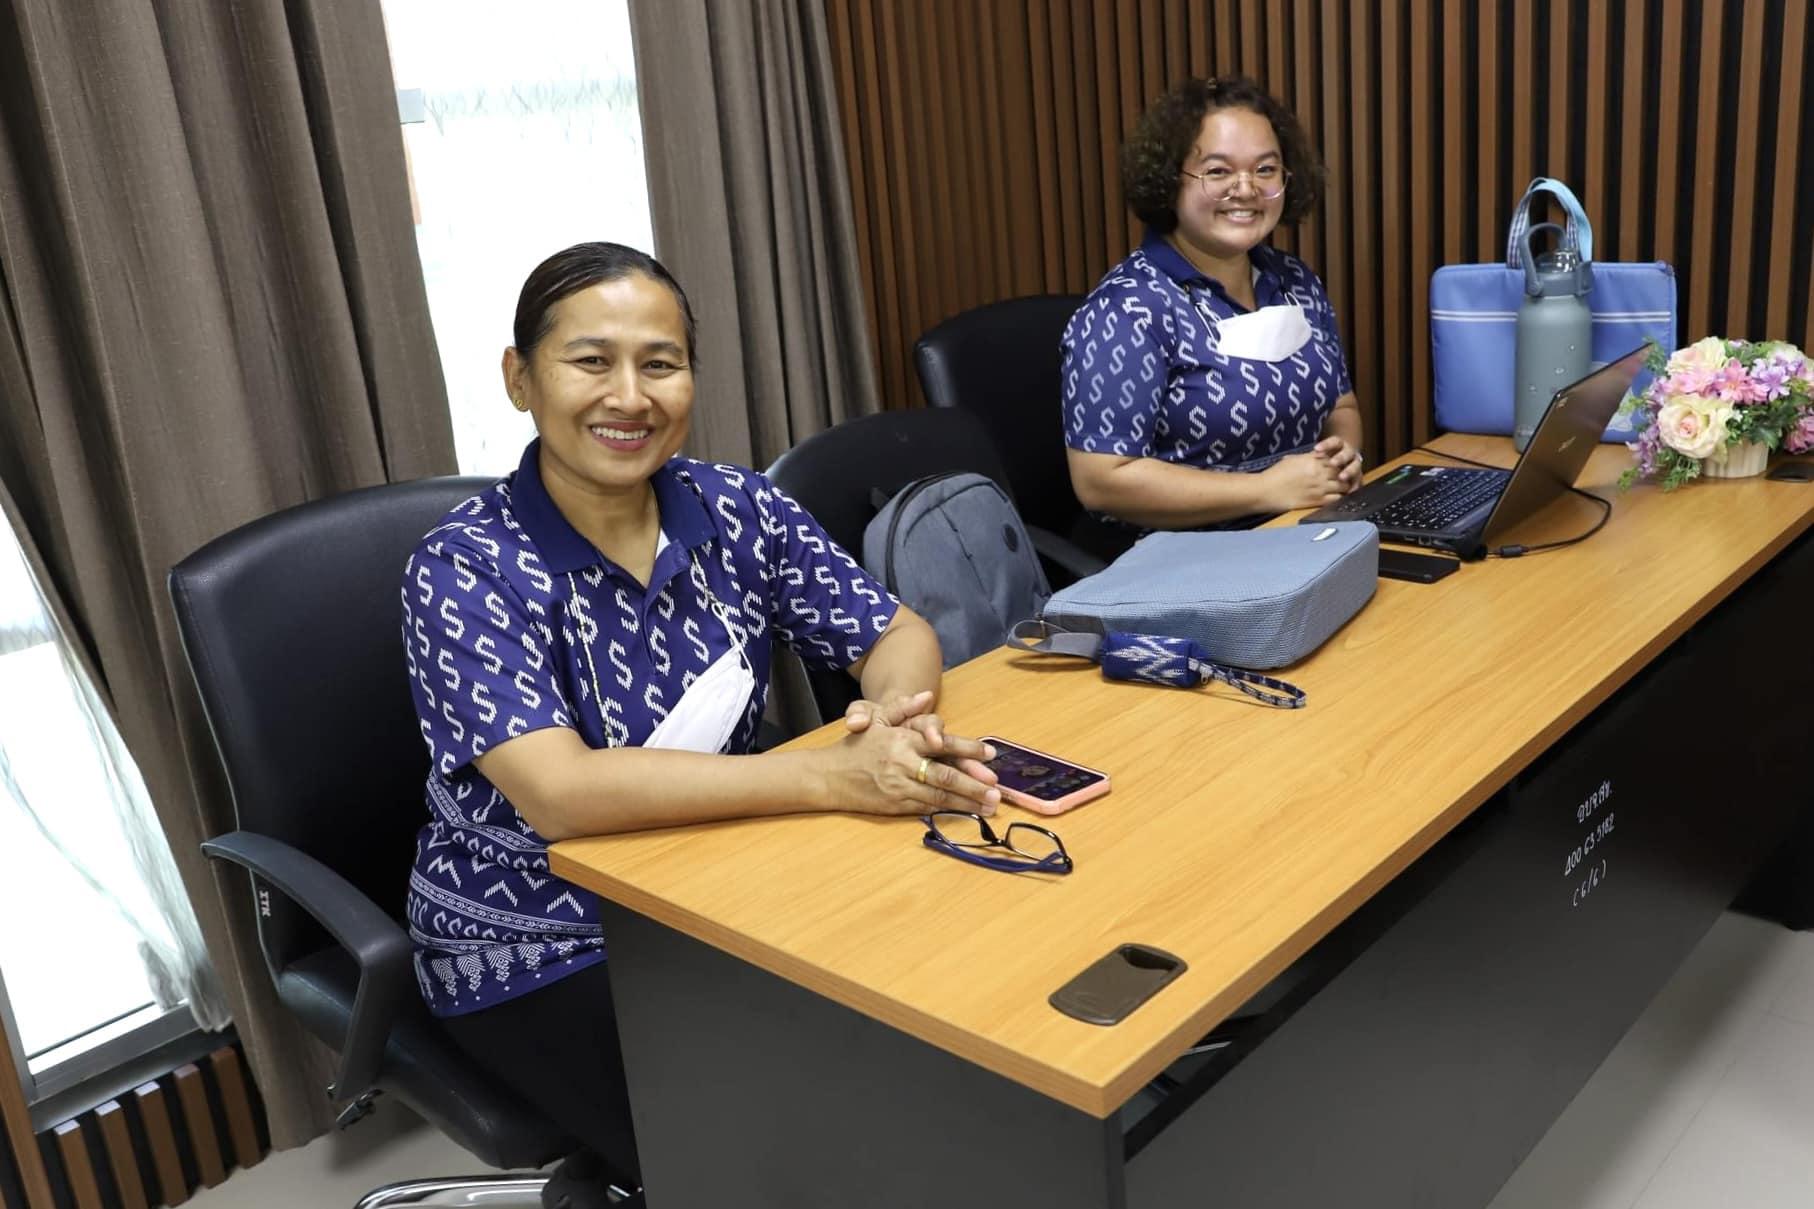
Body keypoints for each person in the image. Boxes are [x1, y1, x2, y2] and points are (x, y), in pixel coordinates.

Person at [400, 242, 1001, 1190]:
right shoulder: (464, 566)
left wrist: (895, 720)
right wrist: (828, 775)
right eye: (591, 361)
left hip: (724, 872)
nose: (629, 396)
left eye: (661, 363)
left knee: (944, 1024)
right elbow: (560, 793)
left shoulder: (737, 507)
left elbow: (894, 632)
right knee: (767, 1157)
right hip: (540, 934)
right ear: (520, 378)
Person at [1063, 76, 1365, 531]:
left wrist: (1343, 456)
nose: (1245, 189)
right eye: (1218, 171)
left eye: (1265, 169)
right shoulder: (1125, 310)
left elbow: (1341, 407)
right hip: (1181, 555)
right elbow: (1100, 481)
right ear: (1170, 181)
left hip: (1306, 531)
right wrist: (1265, 489)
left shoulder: (1295, 281)